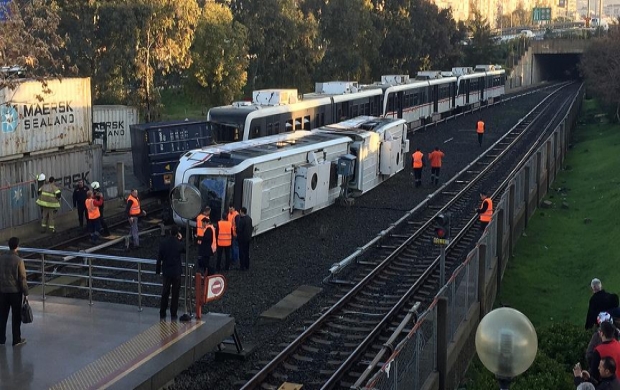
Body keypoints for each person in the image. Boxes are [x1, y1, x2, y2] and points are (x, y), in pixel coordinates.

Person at [0, 237, 29, 346]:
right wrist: (26, 293)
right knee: (16, 316)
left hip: (2, 292)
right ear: (17, 246)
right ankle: (16, 339)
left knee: (2, 316)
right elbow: (22, 278)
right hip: (15, 293)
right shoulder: (19, 260)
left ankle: (1, 339)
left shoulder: (1, 258)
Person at [156, 225, 185, 320]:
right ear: (177, 234)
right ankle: (173, 313)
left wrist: (158, 270)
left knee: (165, 292)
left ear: (169, 232)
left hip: (166, 271)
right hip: (176, 272)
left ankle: (162, 312)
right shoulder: (178, 243)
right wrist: (180, 239)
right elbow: (184, 249)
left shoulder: (163, 243)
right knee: (175, 293)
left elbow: (159, 257)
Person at [236, 207, 253, 271]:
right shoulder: (249, 218)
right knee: (246, 252)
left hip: (242, 239)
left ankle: (242, 266)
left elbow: (239, 230)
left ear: (242, 212)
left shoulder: (242, 220)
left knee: (241, 253)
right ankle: (247, 265)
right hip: (248, 238)